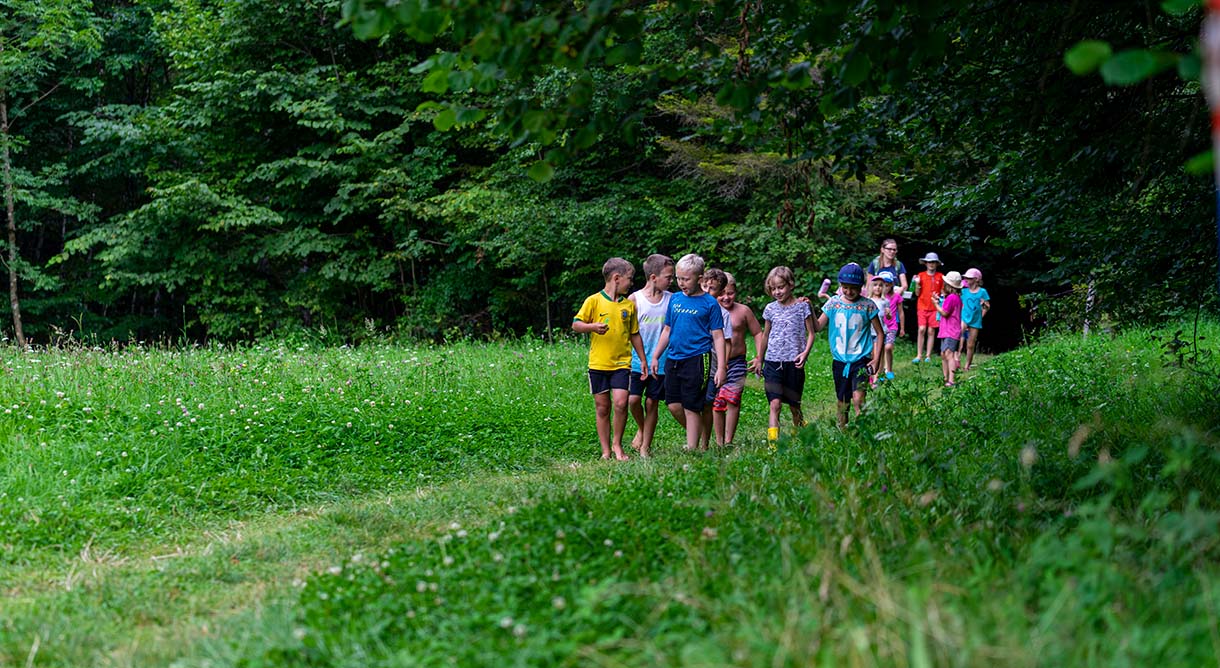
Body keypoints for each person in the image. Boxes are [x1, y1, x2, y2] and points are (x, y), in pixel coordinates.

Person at [649, 254, 726, 453]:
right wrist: (656, 355)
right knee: (674, 405)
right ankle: (700, 436)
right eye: (678, 278)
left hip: (697, 359)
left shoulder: (710, 304)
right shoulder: (675, 299)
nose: (681, 283)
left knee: (692, 406)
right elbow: (667, 330)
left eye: (686, 279)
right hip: (674, 359)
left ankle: (693, 450)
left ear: (700, 279)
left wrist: (722, 368)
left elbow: (718, 337)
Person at [572, 257, 648, 460]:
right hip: (598, 364)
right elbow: (576, 324)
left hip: (622, 364)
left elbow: (634, 334)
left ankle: (617, 446)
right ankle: (605, 450)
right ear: (616, 278)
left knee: (621, 403)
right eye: (629, 279)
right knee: (603, 407)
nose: (631, 283)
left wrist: (643, 359)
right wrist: (592, 327)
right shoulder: (593, 301)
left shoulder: (628, 306)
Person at [816, 263, 884, 429]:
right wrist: (808, 310)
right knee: (842, 401)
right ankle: (843, 431)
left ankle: (863, 430)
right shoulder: (833, 304)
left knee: (859, 399)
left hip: (861, 360)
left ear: (861, 287)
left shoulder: (868, 306)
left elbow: (880, 333)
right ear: (840, 285)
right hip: (839, 361)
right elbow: (817, 327)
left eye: (854, 288)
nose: (849, 291)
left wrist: (876, 360)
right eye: (845, 287)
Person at [754, 266, 815, 445]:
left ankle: (801, 435)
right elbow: (765, 335)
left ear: (790, 285)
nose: (777, 292)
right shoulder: (770, 309)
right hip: (773, 362)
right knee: (775, 404)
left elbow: (811, 333)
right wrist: (760, 358)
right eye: (773, 289)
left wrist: (805, 353)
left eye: (780, 287)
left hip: (794, 363)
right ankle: (773, 444)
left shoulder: (802, 307)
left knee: (794, 406)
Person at [627, 254, 677, 458]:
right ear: (653, 277)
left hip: (662, 363)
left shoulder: (671, 299)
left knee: (651, 403)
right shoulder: (634, 299)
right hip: (638, 361)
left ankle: (646, 446)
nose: (672, 281)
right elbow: (629, 331)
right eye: (669, 276)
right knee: (633, 400)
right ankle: (642, 428)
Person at [713, 272, 763, 447]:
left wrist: (759, 357)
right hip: (716, 363)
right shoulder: (711, 310)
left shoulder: (743, 311)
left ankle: (728, 440)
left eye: (730, 293)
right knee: (718, 401)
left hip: (737, 362)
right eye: (722, 293)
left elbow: (757, 332)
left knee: (732, 399)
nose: (726, 297)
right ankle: (719, 441)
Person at [697, 268, 732, 450]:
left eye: (713, 289)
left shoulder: (723, 314)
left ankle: (704, 444)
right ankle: (694, 436)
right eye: (705, 287)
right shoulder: (692, 306)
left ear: (720, 293)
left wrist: (723, 366)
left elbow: (726, 342)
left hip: (713, 365)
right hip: (693, 361)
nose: (708, 292)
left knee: (707, 402)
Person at [912, 252, 945, 363]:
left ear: (937, 264)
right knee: (921, 329)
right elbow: (916, 293)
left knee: (931, 331)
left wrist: (940, 300)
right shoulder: (920, 275)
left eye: (933, 262)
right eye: (929, 262)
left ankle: (928, 355)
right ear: (925, 263)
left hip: (934, 307)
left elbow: (943, 293)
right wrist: (917, 284)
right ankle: (919, 355)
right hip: (922, 305)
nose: (931, 264)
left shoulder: (940, 277)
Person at [935, 270, 964, 387]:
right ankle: (946, 377)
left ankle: (951, 380)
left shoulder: (951, 297)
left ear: (949, 286)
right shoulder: (955, 297)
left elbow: (944, 313)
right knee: (944, 354)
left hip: (950, 331)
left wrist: (935, 304)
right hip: (947, 330)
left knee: (949, 354)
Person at [959, 267, 991, 371]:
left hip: (976, 321)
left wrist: (982, 312)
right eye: (966, 278)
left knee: (971, 344)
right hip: (964, 318)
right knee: (959, 336)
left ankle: (967, 365)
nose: (966, 280)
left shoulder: (982, 291)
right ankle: (956, 358)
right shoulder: (963, 291)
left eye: (969, 278)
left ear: (976, 279)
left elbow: (987, 306)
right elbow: (959, 304)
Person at [878, 270, 904, 380]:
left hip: (892, 326)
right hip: (879, 327)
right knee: (880, 349)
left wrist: (902, 328)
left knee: (888, 347)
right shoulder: (877, 298)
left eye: (887, 285)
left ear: (891, 285)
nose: (885, 288)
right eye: (883, 285)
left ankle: (889, 369)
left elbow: (901, 312)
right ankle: (881, 372)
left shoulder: (896, 297)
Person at [866, 274, 890, 386]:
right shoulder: (868, 301)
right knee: (870, 354)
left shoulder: (885, 301)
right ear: (871, 287)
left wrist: (888, 314)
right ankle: (871, 375)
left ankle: (875, 378)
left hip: (880, 332)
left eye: (880, 285)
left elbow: (889, 317)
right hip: (869, 332)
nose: (878, 288)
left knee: (877, 354)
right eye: (875, 285)